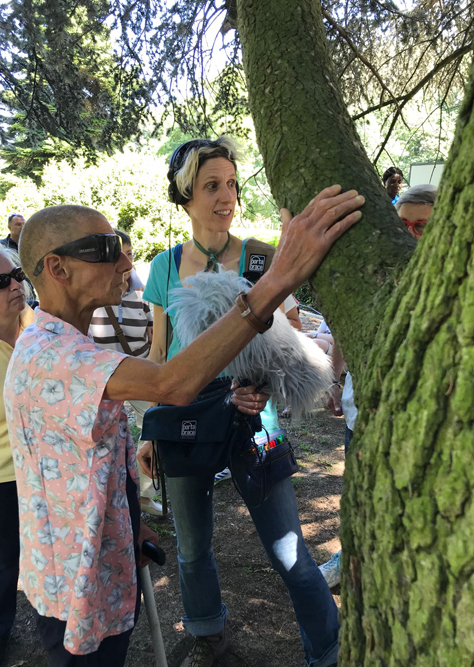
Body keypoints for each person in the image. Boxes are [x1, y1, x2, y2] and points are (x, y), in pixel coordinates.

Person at [4, 182, 363, 666]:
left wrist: (129, 526)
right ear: (57, 267)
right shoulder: (54, 354)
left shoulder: (58, 344)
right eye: (107, 250)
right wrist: (275, 280)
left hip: (97, 564)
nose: (126, 263)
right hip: (77, 585)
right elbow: (173, 383)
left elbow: (74, 460)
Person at [140, 137, 362, 667]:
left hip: (252, 414)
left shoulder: (263, 256)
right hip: (188, 418)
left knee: (288, 552)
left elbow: (287, 335)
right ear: (184, 193)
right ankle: (208, 636)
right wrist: (150, 430)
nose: (227, 196)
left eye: (233, 184)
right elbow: (157, 354)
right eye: (211, 185)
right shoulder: (164, 267)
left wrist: (260, 384)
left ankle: (329, 652)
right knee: (191, 550)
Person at [319, 182, 438, 589]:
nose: (407, 236)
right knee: (358, 492)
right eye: (401, 225)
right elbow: (342, 329)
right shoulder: (374, 270)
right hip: (362, 411)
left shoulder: (452, 283)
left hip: (421, 420)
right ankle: (349, 558)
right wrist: (335, 380)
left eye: (420, 227)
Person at [88, 230, 160, 516]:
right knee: (104, 435)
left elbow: (154, 330)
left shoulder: (141, 290)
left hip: (139, 370)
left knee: (152, 426)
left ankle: (144, 496)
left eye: (129, 254)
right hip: (104, 378)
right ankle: (108, 498)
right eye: (119, 255)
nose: (126, 262)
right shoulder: (93, 291)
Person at [0, 248, 34, 664]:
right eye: (1, 283)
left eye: (17, 275)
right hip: (5, 480)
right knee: (6, 567)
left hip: (39, 472)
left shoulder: (36, 331)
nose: (14, 285)